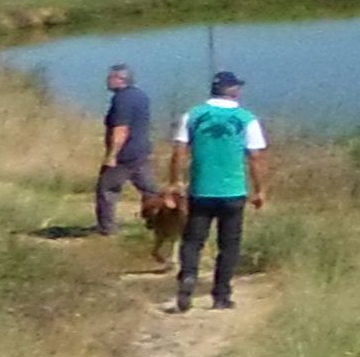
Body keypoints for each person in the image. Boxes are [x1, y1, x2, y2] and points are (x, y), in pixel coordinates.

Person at [171, 71, 268, 312]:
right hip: (233, 191)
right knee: (229, 245)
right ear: (233, 90)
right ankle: (221, 295)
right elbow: (255, 157)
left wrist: (176, 182)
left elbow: (179, 152)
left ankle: (188, 278)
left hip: (201, 190)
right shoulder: (246, 118)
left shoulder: (193, 115)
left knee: (193, 241)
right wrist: (260, 189)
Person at [94, 63, 159, 235]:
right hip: (142, 150)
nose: (107, 80)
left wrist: (112, 155)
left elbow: (121, 129)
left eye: (110, 77)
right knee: (150, 190)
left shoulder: (121, 99)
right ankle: (156, 223)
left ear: (120, 79)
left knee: (107, 189)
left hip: (125, 154)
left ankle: (106, 229)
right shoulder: (140, 95)